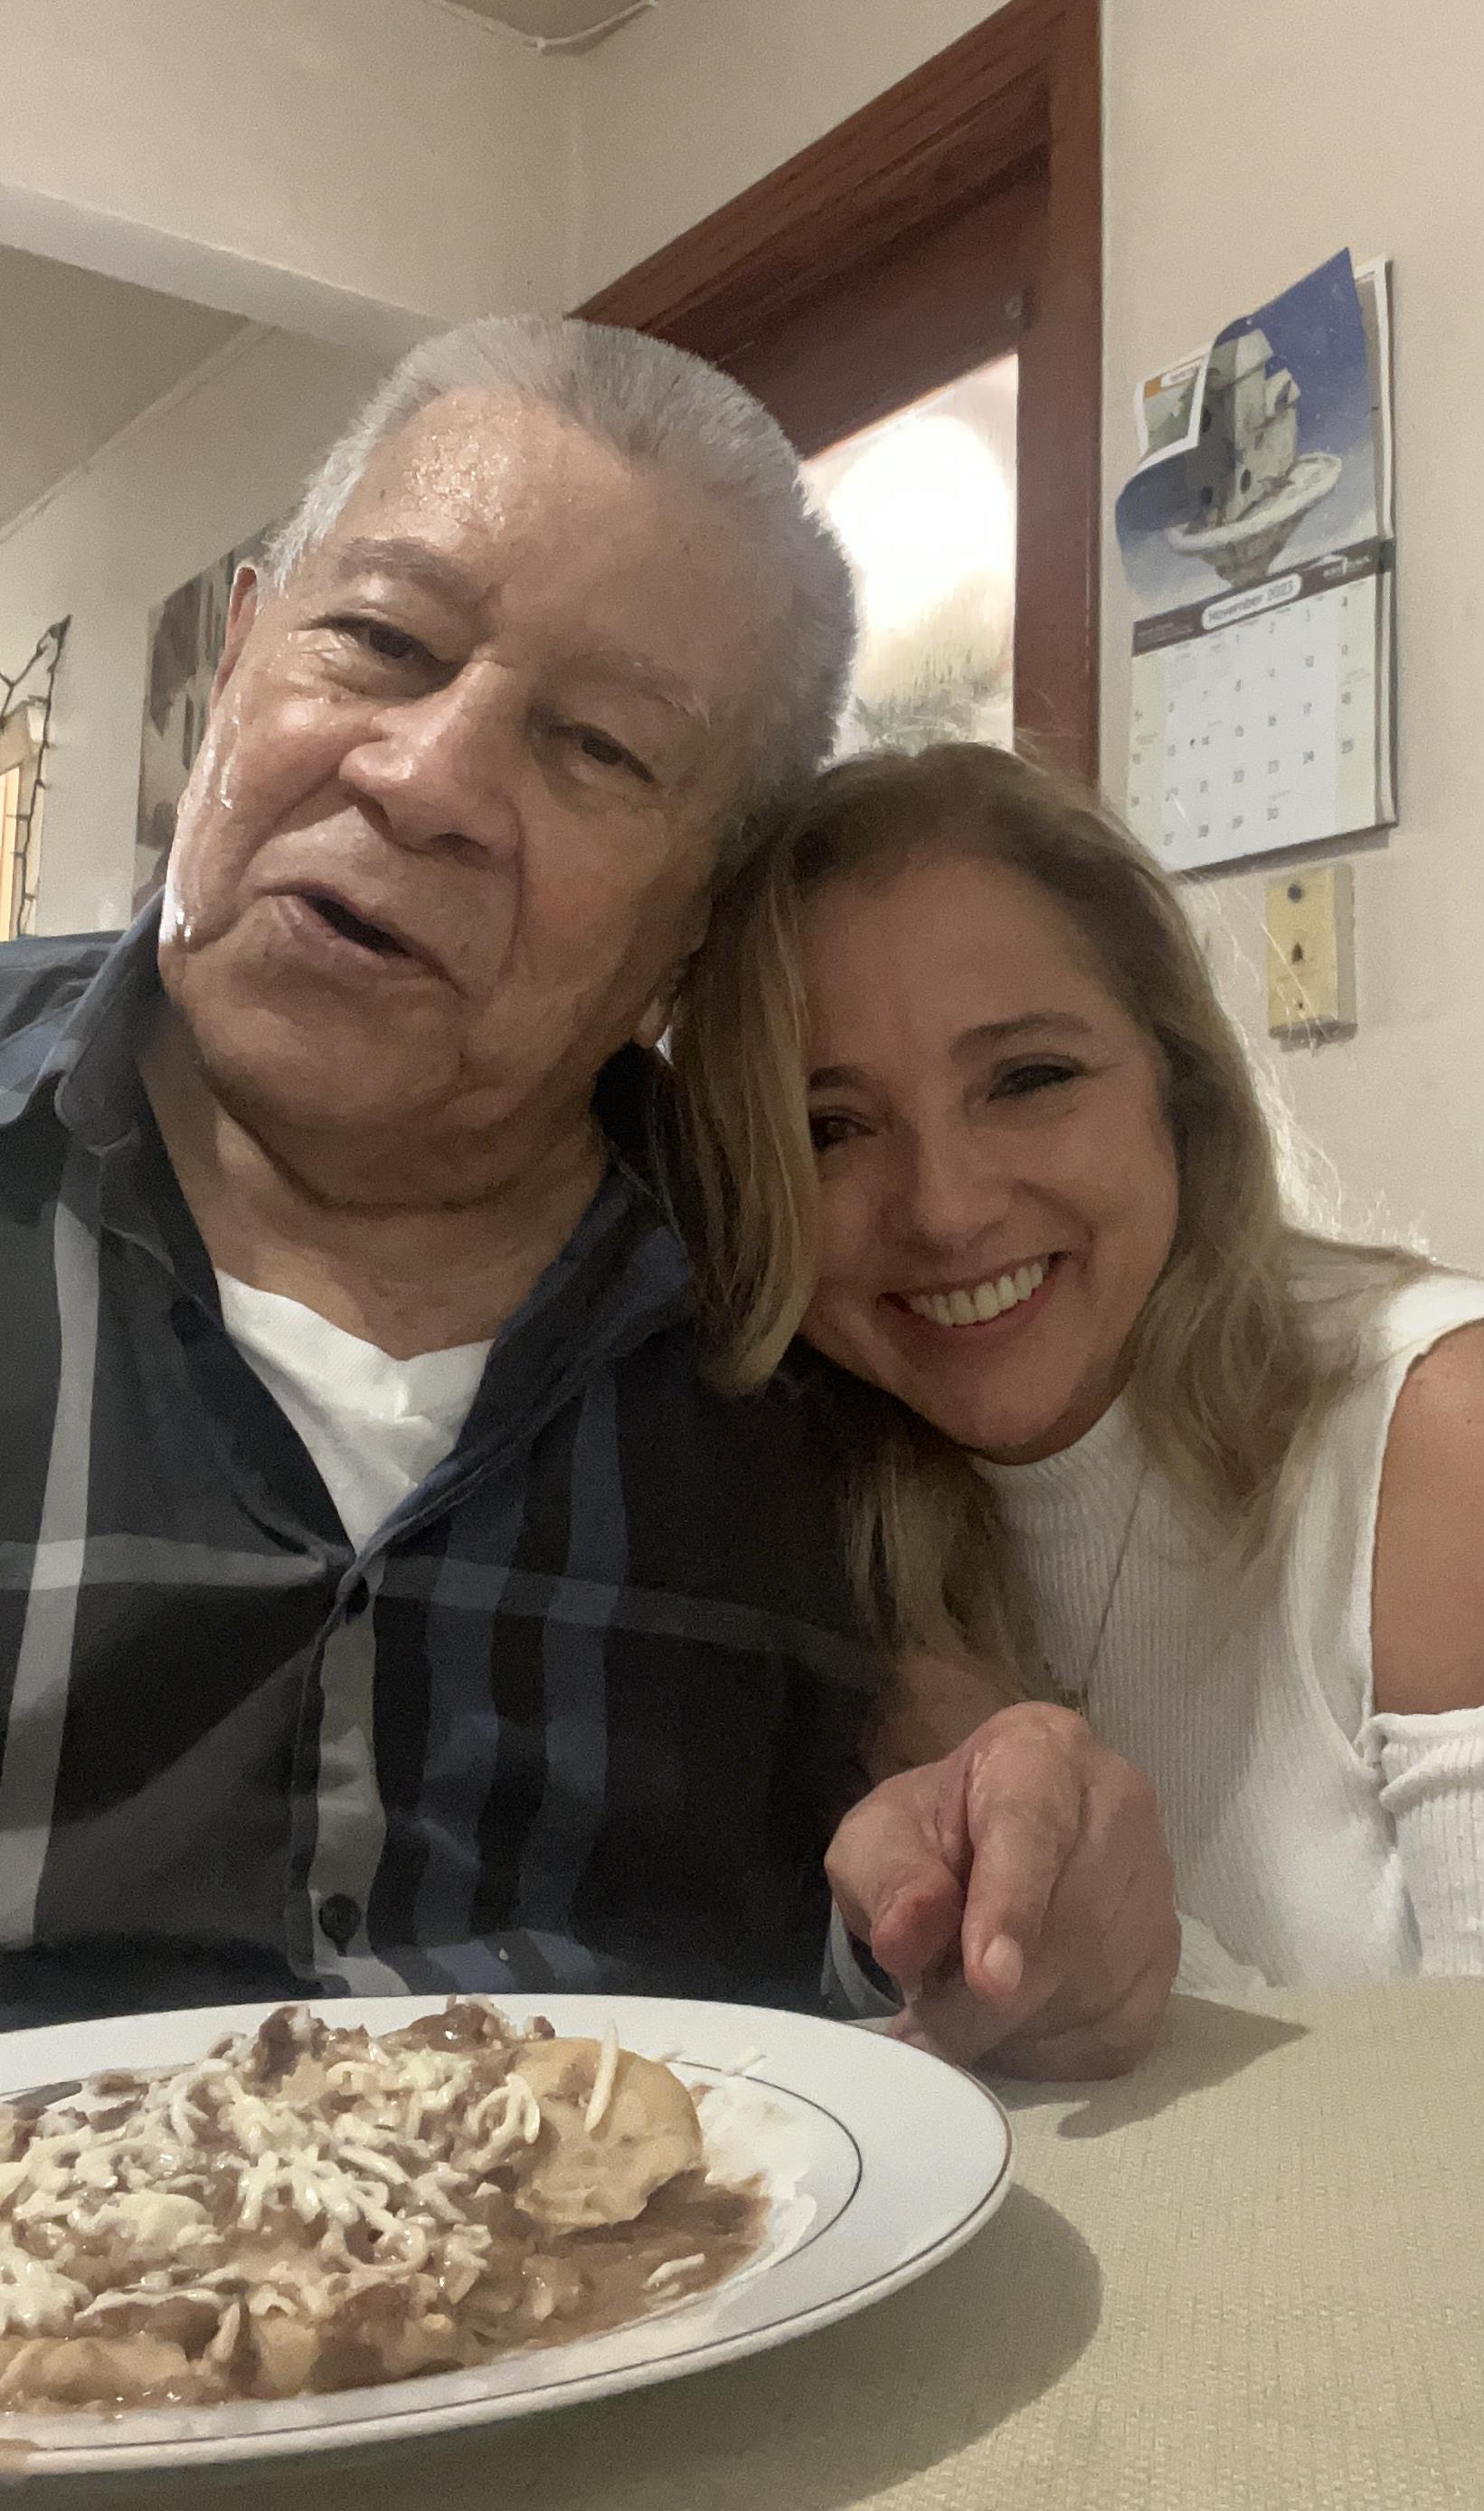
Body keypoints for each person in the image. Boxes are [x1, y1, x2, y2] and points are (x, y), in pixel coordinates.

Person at [0, 320, 1177, 2076]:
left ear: (689, 936)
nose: (428, 777)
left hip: (672, 2292)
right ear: (240, 655)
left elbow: (945, 1792)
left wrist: (1019, 1839)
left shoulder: (809, 1296)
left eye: (601, 748)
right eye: (380, 642)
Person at [670, 741, 1484, 1989]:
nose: (947, 1207)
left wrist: (1078, 1937)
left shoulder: (1455, 1426)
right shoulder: (801, 1497)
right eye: (831, 1129)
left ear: (1180, 1093)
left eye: (1029, 1079)